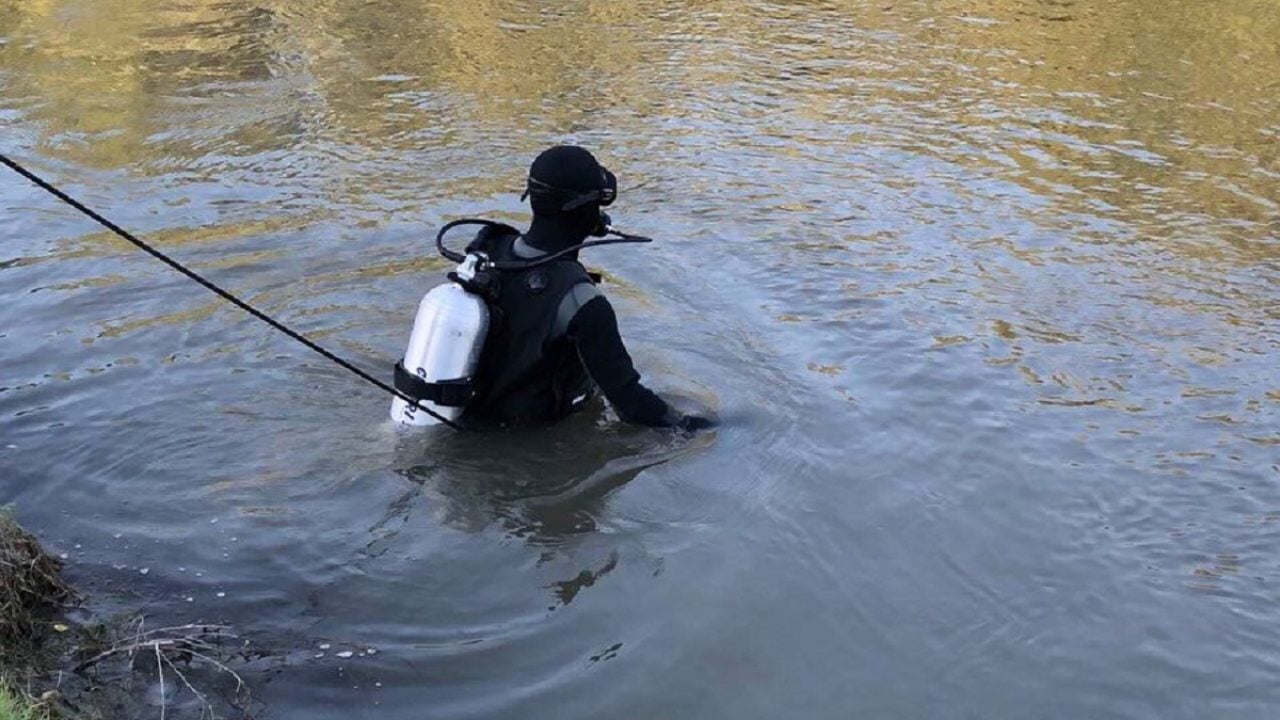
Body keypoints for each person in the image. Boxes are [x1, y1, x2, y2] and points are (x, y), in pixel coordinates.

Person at [460, 145, 712, 432]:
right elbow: (632, 406)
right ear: (584, 210)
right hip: (528, 439)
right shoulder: (582, 302)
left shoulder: (488, 249)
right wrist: (708, 426)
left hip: (463, 417)